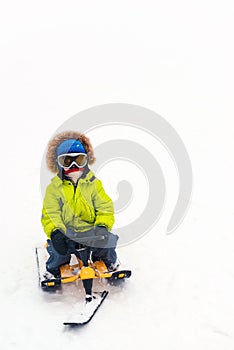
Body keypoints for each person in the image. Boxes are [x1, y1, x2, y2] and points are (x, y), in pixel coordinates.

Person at [41, 131, 119, 287]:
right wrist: (56, 232)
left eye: (79, 160)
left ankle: (109, 262)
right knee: (59, 252)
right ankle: (52, 270)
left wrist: (102, 226)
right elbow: (50, 214)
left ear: (86, 161)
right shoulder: (54, 189)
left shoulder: (93, 184)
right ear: (59, 164)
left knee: (108, 242)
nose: (74, 166)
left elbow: (105, 207)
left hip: (91, 232)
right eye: (67, 161)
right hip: (67, 234)